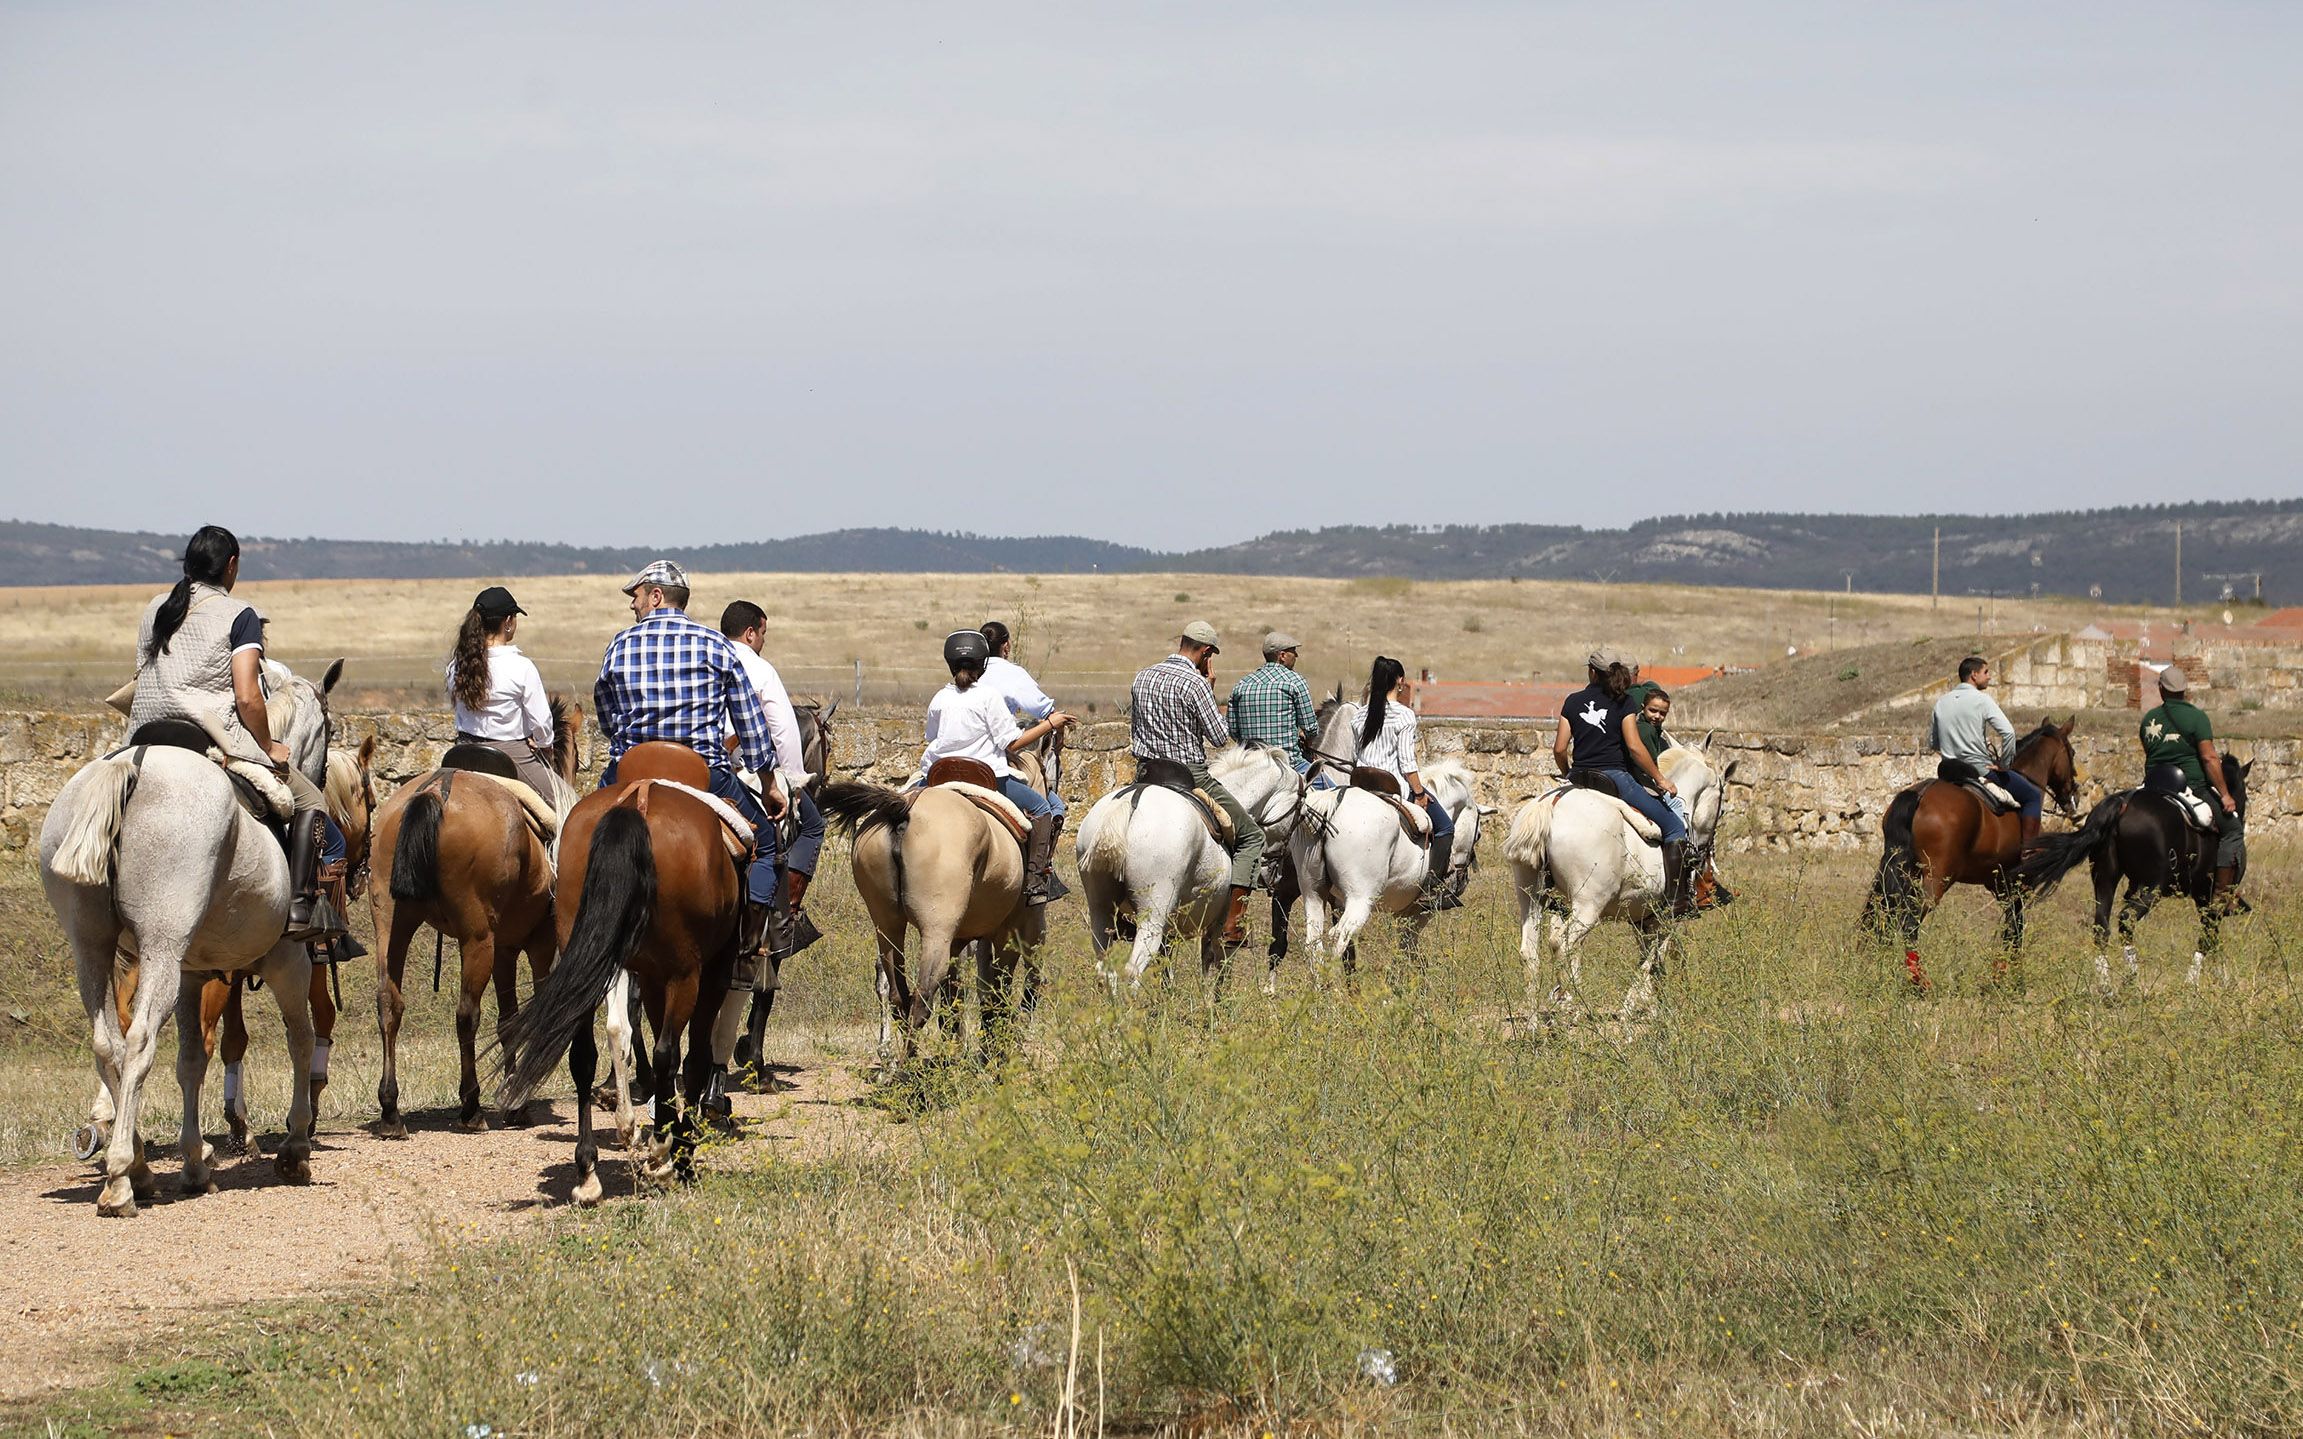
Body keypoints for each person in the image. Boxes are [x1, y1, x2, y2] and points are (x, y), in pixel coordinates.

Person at [126, 525, 346, 945]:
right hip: (206, 739)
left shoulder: (156, 606)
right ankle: (299, 906)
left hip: (143, 736)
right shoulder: (240, 614)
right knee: (311, 799)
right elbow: (247, 697)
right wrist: (268, 745)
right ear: (231, 566)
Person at [593, 560, 787, 956]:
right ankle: (750, 940)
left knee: (576, 833)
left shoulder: (619, 644)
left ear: (657, 596)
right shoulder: (715, 645)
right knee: (767, 845)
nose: (633, 605)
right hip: (702, 774)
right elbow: (749, 722)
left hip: (630, 769)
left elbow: (606, 715)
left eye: (638, 596)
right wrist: (768, 783)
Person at [1129, 621, 1264, 946]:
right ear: (1205, 652)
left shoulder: (1143, 675)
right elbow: (1219, 737)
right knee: (1251, 837)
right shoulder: (1196, 683)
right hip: (1188, 776)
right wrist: (1211, 688)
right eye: (1210, 656)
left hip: (1145, 773)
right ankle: (1233, 925)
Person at [918, 630, 1075, 903]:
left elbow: (931, 737)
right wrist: (1049, 724)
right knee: (1042, 809)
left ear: (950, 664)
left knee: (901, 805)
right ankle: (1035, 882)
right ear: (983, 664)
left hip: (938, 776)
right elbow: (1012, 744)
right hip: (985, 778)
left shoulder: (939, 698)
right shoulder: (989, 697)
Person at [1552, 646, 1696, 918]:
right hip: (1614, 778)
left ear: (1591, 672)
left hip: (1580, 776)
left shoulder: (1572, 701)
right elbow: (1635, 748)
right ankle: (1677, 901)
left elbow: (1559, 749)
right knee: (1675, 826)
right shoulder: (1624, 703)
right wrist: (1660, 778)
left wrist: (1567, 773)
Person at [720, 599, 825, 952]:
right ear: (750, 633)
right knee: (812, 826)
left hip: (705, 765)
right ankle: (782, 921)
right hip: (748, 771)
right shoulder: (760, 669)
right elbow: (783, 730)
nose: (763, 641)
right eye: (763, 634)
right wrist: (795, 783)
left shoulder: (707, 659)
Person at [1350, 655, 1458, 906]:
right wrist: (1420, 794)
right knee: (1445, 829)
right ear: (1399, 681)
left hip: (1362, 786)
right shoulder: (1404, 715)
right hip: (1392, 788)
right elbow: (1407, 762)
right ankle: (1432, 890)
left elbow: (1356, 756)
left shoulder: (1358, 716)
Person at [2139, 665, 2246, 909]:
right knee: (2233, 829)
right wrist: (2227, 795)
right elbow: (2209, 759)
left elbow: (2151, 753)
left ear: (2161, 689)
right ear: (2185, 691)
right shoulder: (2197, 717)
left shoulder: (2148, 720)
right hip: (2192, 786)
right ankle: (2221, 895)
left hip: (2152, 786)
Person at [445, 586, 562, 800]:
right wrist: (545, 744)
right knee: (569, 803)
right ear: (508, 621)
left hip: (462, 752)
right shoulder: (521, 666)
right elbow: (541, 720)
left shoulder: (456, 666)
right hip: (509, 755)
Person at [1924, 655, 2043, 846]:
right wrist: (2004, 764)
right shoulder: (1981, 700)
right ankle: (2029, 852)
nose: (1989, 677)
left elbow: (1933, 743)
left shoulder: (1941, 702)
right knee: (2033, 797)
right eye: (1986, 672)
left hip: (1947, 771)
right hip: (1979, 769)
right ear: (1974, 675)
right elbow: (2009, 733)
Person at [979, 619, 1066, 819]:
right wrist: (1055, 724)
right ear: (1006, 645)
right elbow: (1044, 709)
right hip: (994, 761)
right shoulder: (1011, 674)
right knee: (1050, 806)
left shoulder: (965, 678)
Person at [1227, 632, 1326, 785]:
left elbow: (1233, 730)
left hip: (1249, 765)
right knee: (1332, 792)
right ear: (1282, 655)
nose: (1296, 655)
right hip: (1288, 764)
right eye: (1293, 651)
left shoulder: (1242, 685)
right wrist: (1306, 741)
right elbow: (1311, 727)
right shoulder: (1294, 681)